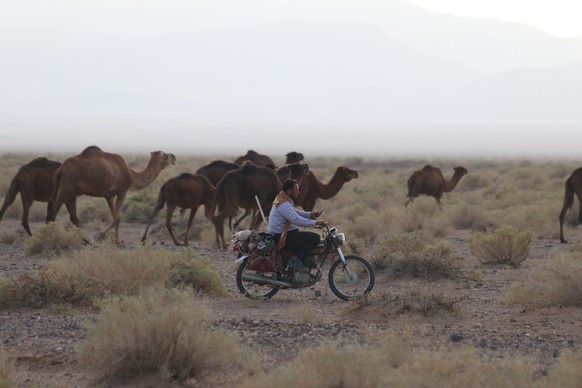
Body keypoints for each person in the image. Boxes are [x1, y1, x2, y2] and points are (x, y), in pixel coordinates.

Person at [268, 178, 327, 271]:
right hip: (283, 237)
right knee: (315, 238)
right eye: (296, 190)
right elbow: (296, 219)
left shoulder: (284, 199)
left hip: (286, 234)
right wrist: (316, 222)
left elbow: (294, 212)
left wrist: (310, 215)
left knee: (305, 237)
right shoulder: (283, 204)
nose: (298, 192)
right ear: (289, 191)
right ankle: (295, 260)